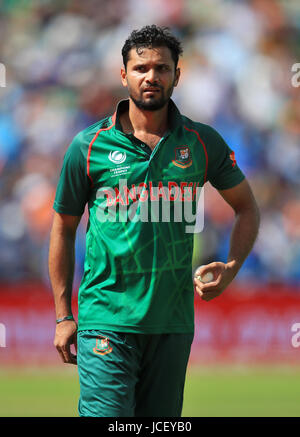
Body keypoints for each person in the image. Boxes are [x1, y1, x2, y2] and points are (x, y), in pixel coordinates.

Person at [48, 24, 260, 417]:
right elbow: (62, 227)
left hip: (173, 324)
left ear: (177, 75)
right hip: (106, 318)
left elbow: (247, 207)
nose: (151, 76)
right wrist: (63, 315)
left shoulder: (202, 141)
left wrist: (232, 267)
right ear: (123, 74)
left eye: (162, 68)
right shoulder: (89, 145)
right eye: (141, 67)